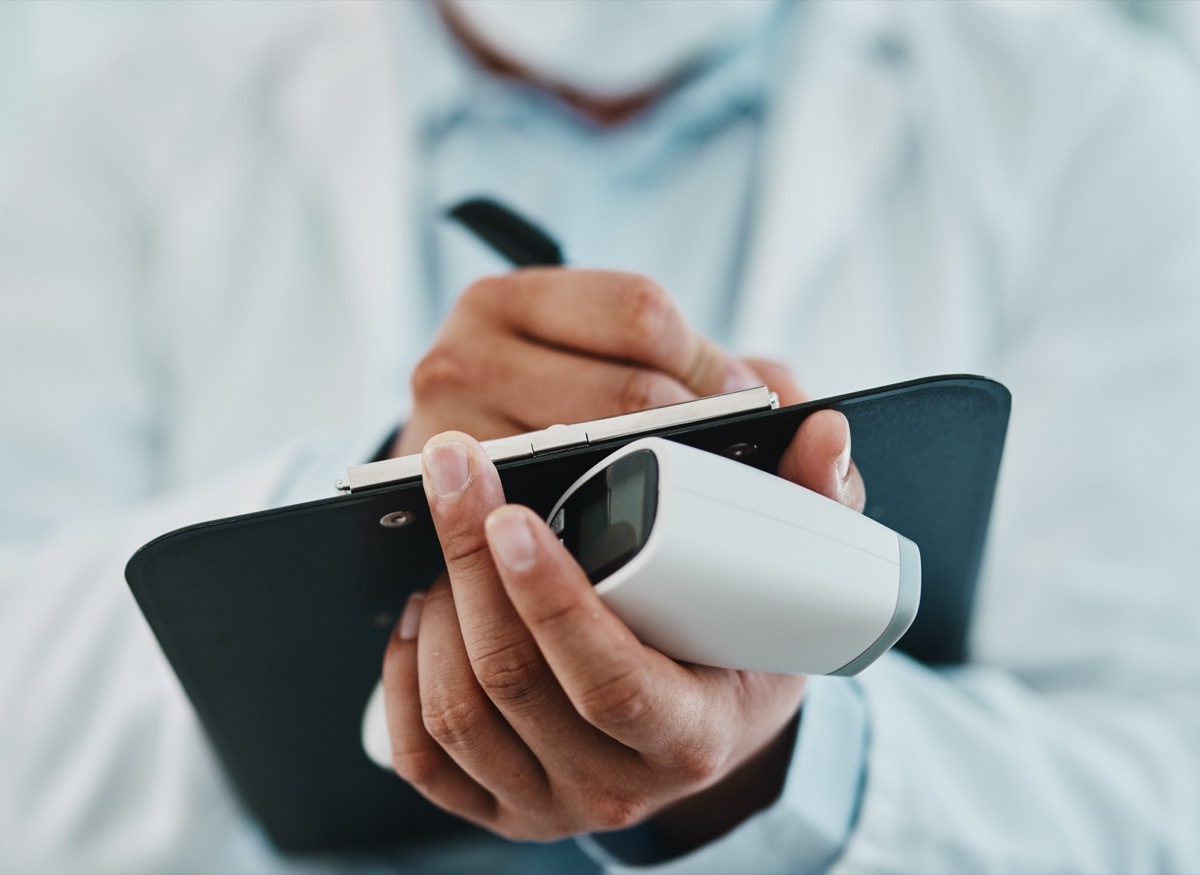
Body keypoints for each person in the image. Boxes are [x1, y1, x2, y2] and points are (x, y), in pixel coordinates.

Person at [1, 1, 1199, 872]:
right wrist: (379, 500)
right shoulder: (124, 124)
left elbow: (1158, 788)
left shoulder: (1099, 126)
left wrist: (781, 767)